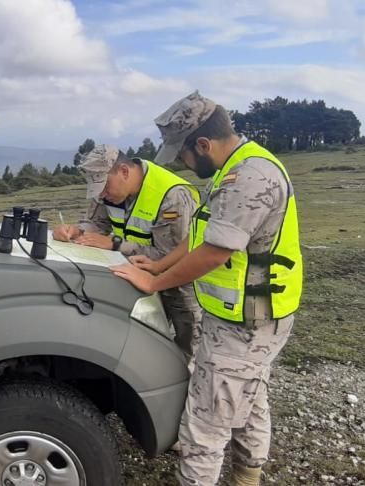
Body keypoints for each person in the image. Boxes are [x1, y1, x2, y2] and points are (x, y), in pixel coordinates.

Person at [110, 91, 303, 486]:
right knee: (248, 399)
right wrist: (160, 263)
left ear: (202, 144)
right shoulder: (229, 171)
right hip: (238, 315)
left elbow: (215, 252)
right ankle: (246, 478)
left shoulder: (248, 177)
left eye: (182, 155)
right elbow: (203, 235)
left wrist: (155, 282)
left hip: (248, 321)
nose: (181, 164)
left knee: (204, 425)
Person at [54, 144, 202, 356]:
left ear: (124, 171)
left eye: (105, 187)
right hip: (137, 279)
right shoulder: (108, 192)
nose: (102, 195)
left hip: (180, 287)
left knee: (189, 352)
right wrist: (76, 231)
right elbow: (96, 222)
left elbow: (171, 256)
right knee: (146, 350)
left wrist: (115, 244)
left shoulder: (172, 195)